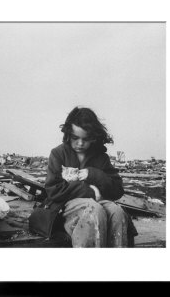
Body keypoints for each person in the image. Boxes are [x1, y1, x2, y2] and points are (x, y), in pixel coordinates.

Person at [44, 106, 136, 247]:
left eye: (86, 139)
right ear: (68, 134)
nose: (80, 143)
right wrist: (92, 192)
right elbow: (53, 190)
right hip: (66, 207)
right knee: (94, 210)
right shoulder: (58, 154)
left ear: (94, 138)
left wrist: (94, 174)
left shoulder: (101, 157)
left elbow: (117, 190)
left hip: (98, 203)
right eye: (75, 138)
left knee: (117, 212)